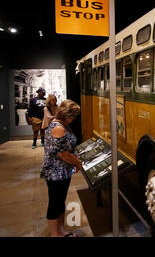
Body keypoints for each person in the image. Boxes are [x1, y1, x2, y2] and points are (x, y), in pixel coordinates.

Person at [40, 99, 82, 237]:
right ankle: (55, 234)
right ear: (67, 114)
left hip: (62, 172)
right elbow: (63, 154)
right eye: (74, 115)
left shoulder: (61, 124)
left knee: (60, 202)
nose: (74, 119)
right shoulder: (58, 128)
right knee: (54, 203)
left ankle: (61, 230)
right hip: (55, 172)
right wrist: (78, 163)